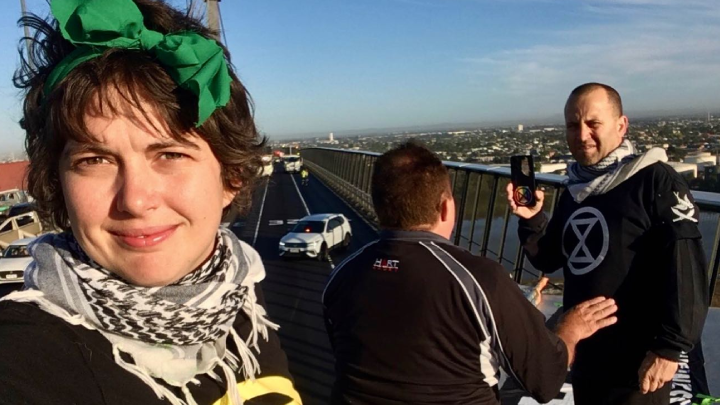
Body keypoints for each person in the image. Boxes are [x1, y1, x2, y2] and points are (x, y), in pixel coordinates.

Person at [0, 1, 301, 404]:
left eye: (170, 154)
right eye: (94, 160)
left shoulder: (237, 291)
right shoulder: (26, 358)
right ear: (59, 184)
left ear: (230, 176)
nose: (136, 200)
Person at [323, 141, 618, 405]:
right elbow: (545, 380)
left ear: (379, 207)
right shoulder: (478, 280)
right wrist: (570, 329)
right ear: (445, 208)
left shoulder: (341, 277)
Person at [507, 82, 710, 405]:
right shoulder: (575, 189)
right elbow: (549, 258)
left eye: (593, 123)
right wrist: (531, 218)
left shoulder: (655, 181)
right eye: (573, 125)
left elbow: (685, 266)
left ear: (621, 125)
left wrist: (669, 349)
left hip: (638, 364)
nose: (582, 134)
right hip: (587, 357)